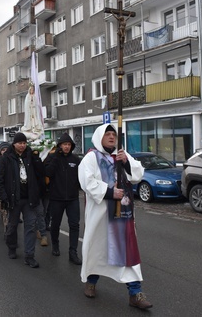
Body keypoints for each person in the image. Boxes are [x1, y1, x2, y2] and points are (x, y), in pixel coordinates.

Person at [77, 123, 152, 309]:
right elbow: (86, 182)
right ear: (99, 137)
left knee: (127, 251)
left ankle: (135, 293)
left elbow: (138, 174)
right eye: (107, 134)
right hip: (101, 215)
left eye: (114, 134)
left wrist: (126, 161)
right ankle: (91, 282)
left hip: (122, 216)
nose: (111, 137)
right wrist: (110, 192)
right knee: (97, 250)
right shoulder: (91, 158)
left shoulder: (121, 155)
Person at [0, 132, 45, 268]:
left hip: (29, 198)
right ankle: (12, 246)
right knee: (12, 226)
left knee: (31, 226)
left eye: (24, 143)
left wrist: (36, 157)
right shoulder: (6, 158)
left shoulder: (30, 156)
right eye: (19, 143)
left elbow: (41, 173)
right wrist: (3, 197)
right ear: (14, 144)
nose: (22, 145)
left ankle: (29, 255)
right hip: (13, 199)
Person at [45, 133, 82, 264]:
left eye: (68, 145)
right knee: (55, 224)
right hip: (56, 198)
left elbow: (82, 176)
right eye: (64, 144)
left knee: (74, 225)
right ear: (59, 145)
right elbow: (47, 173)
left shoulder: (76, 159)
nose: (66, 147)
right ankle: (55, 245)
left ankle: (73, 252)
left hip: (72, 198)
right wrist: (55, 157)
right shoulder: (52, 157)